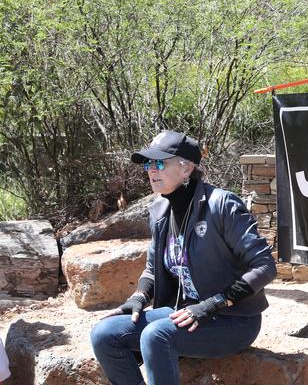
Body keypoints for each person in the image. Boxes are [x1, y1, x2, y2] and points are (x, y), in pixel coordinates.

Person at [91, 130, 276, 385]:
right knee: (104, 334)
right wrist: (138, 297)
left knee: (156, 335)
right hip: (181, 312)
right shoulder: (160, 211)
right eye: (148, 164)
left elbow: (265, 266)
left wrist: (212, 304)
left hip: (233, 321)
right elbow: (152, 270)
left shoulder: (222, 205)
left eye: (158, 163)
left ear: (186, 168)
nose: (150, 170)